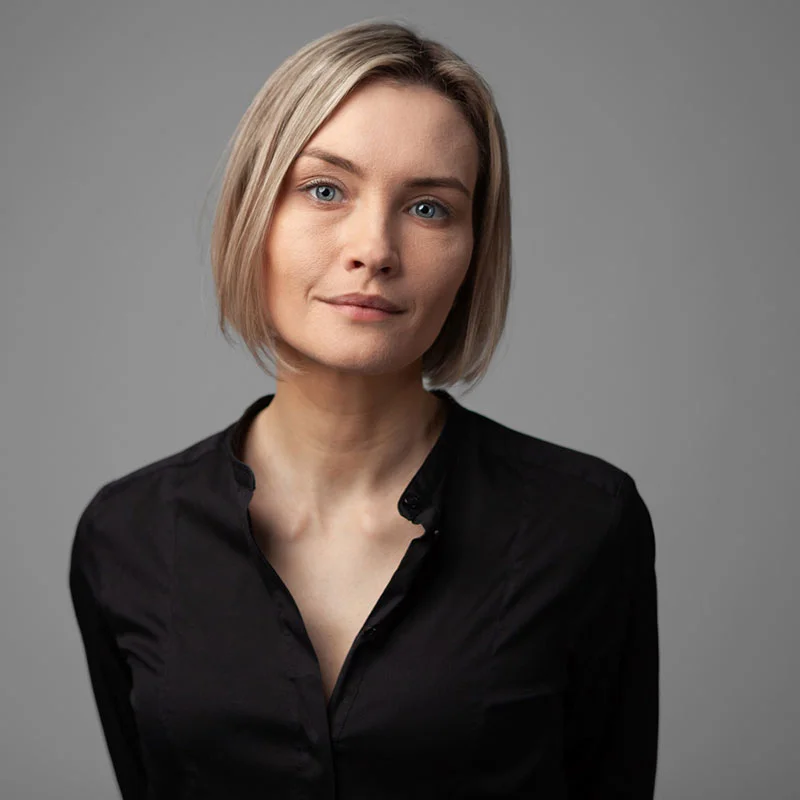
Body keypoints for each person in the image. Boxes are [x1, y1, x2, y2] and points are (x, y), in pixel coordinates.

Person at [69, 18, 659, 800]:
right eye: (324, 190)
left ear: (474, 254)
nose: (373, 248)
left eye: (428, 209)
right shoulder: (127, 536)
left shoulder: (583, 522)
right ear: (254, 218)